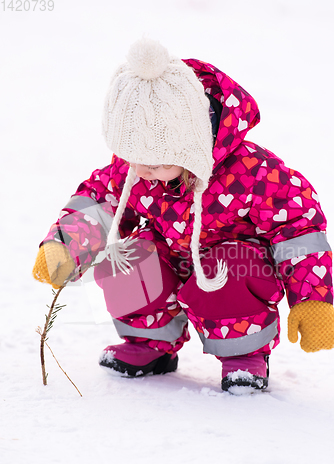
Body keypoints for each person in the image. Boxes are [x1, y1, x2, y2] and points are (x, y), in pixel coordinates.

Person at [32, 38, 334, 393]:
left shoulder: (253, 174)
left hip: (230, 269)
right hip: (171, 259)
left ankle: (243, 355)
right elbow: (99, 201)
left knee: (232, 262)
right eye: (131, 156)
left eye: (154, 161)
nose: (140, 170)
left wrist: (314, 298)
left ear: (189, 145)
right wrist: (65, 246)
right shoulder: (137, 170)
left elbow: (299, 230)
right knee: (126, 257)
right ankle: (150, 344)